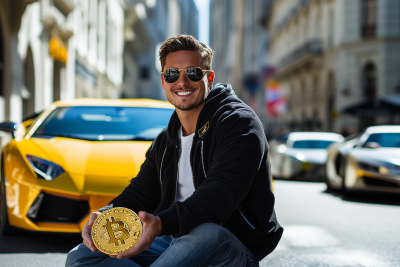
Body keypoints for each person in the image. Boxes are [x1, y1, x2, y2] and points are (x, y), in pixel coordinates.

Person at [66, 35, 283, 267]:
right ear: (163, 81)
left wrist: (160, 223)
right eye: (172, 74)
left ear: (209, 78)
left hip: (229, 244)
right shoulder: (166, 140)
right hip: (171, 239)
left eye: (192, 73)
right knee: (82, 257)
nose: (182, 82)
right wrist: (107, 214)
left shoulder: (238, 122)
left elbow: (220, 195)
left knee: (207, 232)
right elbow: (140, 193)